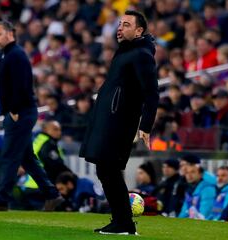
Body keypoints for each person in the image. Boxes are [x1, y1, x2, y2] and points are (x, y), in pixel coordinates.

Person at [79, 10, 158, 235]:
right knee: (105, 169)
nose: (120, 28)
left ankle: (124, 222)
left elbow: (152, 92)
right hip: (109, 119)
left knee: (109, 169)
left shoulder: (141, 54)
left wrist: (145, 125)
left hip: (120, 121)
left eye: (126, 24)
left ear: (139, 30)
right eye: (119, 24)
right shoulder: (127, 51)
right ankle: (122, 221)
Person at [0, 20, 63, 211]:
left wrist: (14, 110)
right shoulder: (12, 54)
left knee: (9, 156)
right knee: (27, 159)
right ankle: (52, 195)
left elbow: (22, 85)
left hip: (20, 113)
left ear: (10, 34)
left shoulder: (15, 55)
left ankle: (1, 200)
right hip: (20, 112)